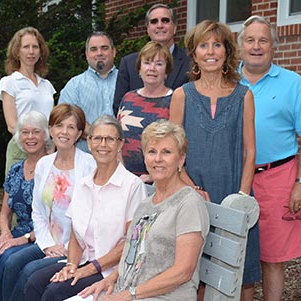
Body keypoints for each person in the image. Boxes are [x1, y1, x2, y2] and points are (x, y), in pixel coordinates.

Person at [169, 20, 260, 300]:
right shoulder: (182, 95)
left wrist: (242, 197)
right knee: (195, 274)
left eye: (217, 44)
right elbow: (173, 152)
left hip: (233, 192)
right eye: (203, 45)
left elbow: (250, 151)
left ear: (227, 51)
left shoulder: (244, 95)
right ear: (194, 54)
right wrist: (193, 190)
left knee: (240, 275)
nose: (210, 51)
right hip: (193, 195)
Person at [72, 119, 209, 301]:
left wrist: (129, 294)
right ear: (145, 157)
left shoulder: (188, 203)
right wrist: (110, 279)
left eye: (166, 152)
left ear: (181, 159)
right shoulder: (146, 204)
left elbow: (183, 272)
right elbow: (132, 253)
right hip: (128, 291)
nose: (158, 159)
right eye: (152, 152)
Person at [237, 15, 301, 301]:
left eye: (263, 41)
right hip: (234, 176)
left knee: (272, 258)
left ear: (274, 48)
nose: (256, 46)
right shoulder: (225, 81)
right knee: (233, 251)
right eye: (250, 40)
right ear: (240, 47)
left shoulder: (293, 83)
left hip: (277, 178)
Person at [24, 115, 147, 301]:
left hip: (112, 270)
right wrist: (71, 266)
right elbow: (75, 233)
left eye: (110, 139)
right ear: (89, 142)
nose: (103, 144)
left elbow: (131, 243)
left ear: (120, 144)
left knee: (54, 292)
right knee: (34, 282)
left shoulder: (132, 186)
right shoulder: (83, 185)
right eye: (97, 138)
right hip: (83, 261)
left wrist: (89, 269)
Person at [1, 104, 97, 301]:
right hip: (47, 241)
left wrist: (62, 247)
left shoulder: (89, 165)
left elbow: (89, 217)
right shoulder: (44, 164)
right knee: (10, 262)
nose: (64, 132)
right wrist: (47, 246)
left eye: (71, 127)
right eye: (59, 126)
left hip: (74, 247)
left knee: (29, 271)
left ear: (79, 133)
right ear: (51, 130)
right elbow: (37, 210)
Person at [0, 111, 50, 300]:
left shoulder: (52, 169)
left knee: (9, 258)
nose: (30, 137)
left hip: (41, 235)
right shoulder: (15, 170)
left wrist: (23, 239)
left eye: (36, 132)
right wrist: (5, 233)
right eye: (25, 132)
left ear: (46, 135)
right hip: (19, 231)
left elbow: (55, 220)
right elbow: (5, 213)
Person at [112, 3, 190, 116]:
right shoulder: (129, 63)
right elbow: (119, 107)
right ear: (147, 29)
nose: (160, 25)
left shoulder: (191, 61)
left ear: (175, 28)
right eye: (154, 21)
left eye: (165, 20)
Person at [0, 27, 56, 175]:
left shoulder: (47, 85)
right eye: (26, 47)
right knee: (17, 196)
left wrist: (51, 146)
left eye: (35, 47)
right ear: (17, 51)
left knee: (47, 196)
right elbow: (12, 125)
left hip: (47, 152)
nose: (31, 51)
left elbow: (54, 121)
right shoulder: (9, 82)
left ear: (40, 51)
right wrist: (34, 146)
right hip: (21, 150)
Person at [117, 41, 173, 180]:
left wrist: (152, 177)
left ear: (166, 72)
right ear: (139, 69)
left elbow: (177, 146)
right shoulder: (128, 98)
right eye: (147, 62)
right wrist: (123, 173)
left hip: (158, 181)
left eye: (159, 64)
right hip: (125, 179)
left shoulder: (174, 100)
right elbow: (118, 138)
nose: (152, 68)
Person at [58, 32, 117, 153]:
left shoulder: (127, 81)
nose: (99, 53)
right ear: (87, 54)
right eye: (94, 49)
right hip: (85, 161)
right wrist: (100, 139)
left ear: (113, 52)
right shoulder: (74, 86)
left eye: (104, 48)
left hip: (123, 160)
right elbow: (66, 119)